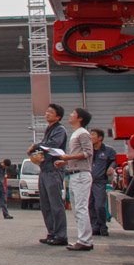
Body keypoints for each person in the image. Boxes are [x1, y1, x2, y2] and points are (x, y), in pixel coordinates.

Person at [28, 103, 68, 246]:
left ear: (58, 116)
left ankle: (61, 235)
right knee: (45, 205)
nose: (47, 113)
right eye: (46, 111)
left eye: (50, 112)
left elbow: (53, 145)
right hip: (44, 170)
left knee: (56, 204)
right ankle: (52, 233)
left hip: (53, 170)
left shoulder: (59, 130)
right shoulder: (48, 129)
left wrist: (36, 146)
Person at [55, 107, 94, 251]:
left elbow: (87, 153)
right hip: (75, 174)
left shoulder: (83, 133)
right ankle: (83, 239)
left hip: (81, 174)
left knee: (81, 208)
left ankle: (85, 240)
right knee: (77, 208)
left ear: (80, 118)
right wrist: (65, 162)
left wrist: (67, 157)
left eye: (73, 113)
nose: (70, 115)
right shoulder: (76, 134)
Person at [89, 128, 117, 236]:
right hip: (88, 181)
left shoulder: (108, 150)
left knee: (99, 205)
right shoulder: (88, 150)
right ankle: (94, 227)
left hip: (99, 181)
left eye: (93, 135)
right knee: (90, 205)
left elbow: (114, 161)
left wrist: (111, 167)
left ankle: (103, 226)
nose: (90, 137)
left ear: (100, 138)